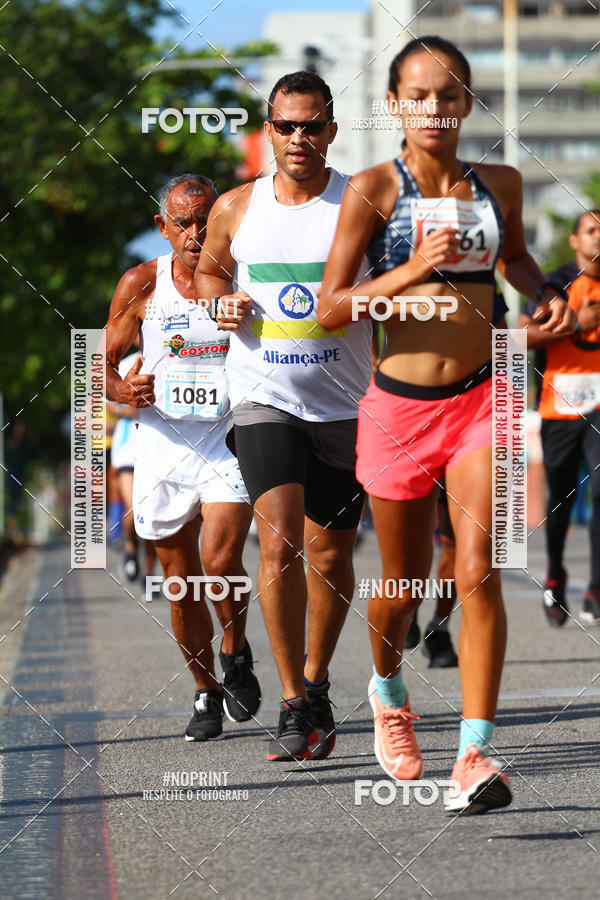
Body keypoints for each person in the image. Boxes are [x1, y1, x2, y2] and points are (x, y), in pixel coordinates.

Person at [318, 36, 575, 813]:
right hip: (398, 407)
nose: (435, 107)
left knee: (478, 570)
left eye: (450, 94)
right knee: (401, 586)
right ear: (396, 104)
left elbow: (521, 261)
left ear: (467, 103)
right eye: (419, 95)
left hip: (485, 397)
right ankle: (389, 692)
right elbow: (331, 308)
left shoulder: (498, 183)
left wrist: (542, 296)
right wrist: (410, 268)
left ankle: (475, 755)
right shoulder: (373, 189)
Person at [195, 71, 372, 761]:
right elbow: (211, 271)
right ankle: (295, 702)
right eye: (286, 126)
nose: (299, 138)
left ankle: (318, 682)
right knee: (277, 545)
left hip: (346, 404)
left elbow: (400, 279)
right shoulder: (238, 207)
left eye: (312, 126)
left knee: (330, 553)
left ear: (331, 130)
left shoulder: (361, 201)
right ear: (268, 131)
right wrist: (218, 302)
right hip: (264, 395)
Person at [105, 174, 260, 741]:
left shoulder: (243, 276)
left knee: (220, 561)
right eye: (183, 222)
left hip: (229, 439)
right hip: (163, 445)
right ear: (162, 227)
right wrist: (122, 390)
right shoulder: (141, 284)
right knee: (182, 581)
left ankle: (236, 650)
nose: (195, 234)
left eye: (204, 220)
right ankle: (204, 691)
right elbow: (98, 361)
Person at [407, 286, 508, 667]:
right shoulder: (397, 272)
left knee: (458, 538)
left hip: (470, 426)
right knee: (412, 539)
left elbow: (507, 346)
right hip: (410, 419)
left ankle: (440, 626)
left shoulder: (481, 281)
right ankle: (408, 610)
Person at [518, 210, 600, 626]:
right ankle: (555, 574)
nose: (598, 238)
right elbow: (519, 336)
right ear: (574, 240)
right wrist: (573, 325)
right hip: (560, 406)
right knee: (562, 499)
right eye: (591, 230)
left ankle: (596, 586)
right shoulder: (554, 284)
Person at [109, 352, 158, 596]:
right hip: (128, 450)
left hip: (158, 448)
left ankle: (149, 575)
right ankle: (130, 546)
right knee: (132, 509)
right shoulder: (126, 362)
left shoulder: (170, 353)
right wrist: (128, 409)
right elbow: (107, 400)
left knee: (152, 514)